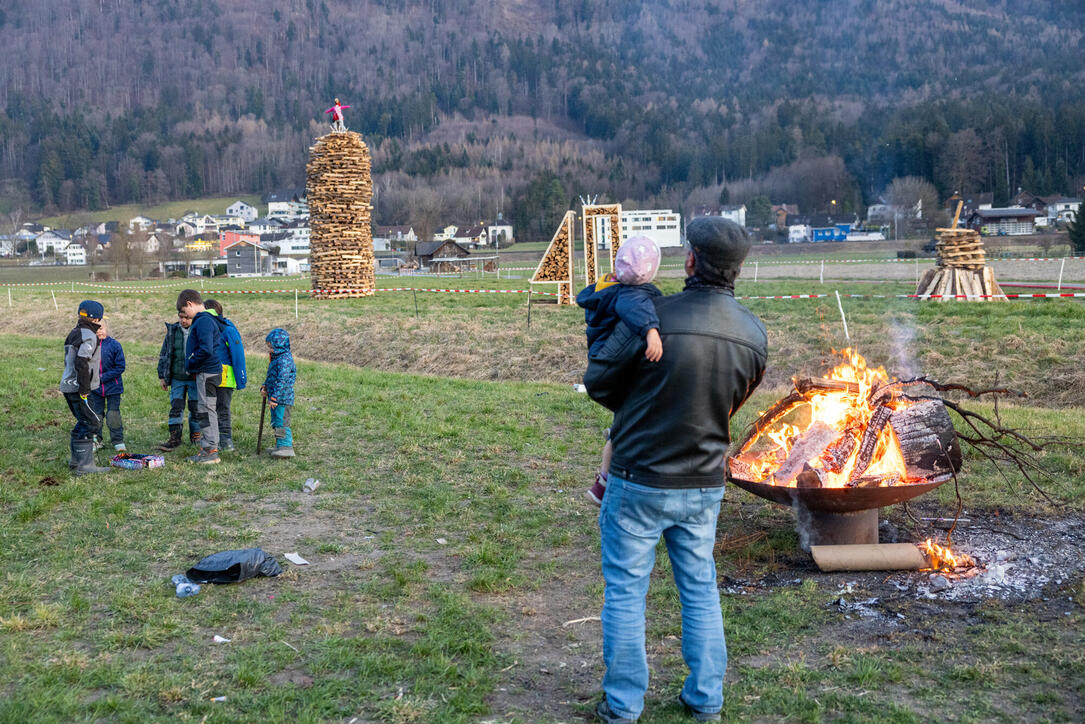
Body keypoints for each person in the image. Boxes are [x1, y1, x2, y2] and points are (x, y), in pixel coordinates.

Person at [583, 217, 767, 723]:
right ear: (738, 271)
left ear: (689, 260)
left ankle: (622, 707)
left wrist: (638, 396)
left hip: (637, 476)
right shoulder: (753, 335)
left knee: (625, 590)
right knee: (700, 589)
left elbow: (598, 380)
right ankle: (705, 700)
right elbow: (732, 402)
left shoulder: (652, 316)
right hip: (704, 482)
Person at [576, 235, 664, 506]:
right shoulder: (627, 295)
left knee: (623, 420)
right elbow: (633, 307)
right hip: (614, 364)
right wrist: (651, 331)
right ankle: (602, 485)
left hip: (603, 358)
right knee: (622, 429)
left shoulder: (606, 286)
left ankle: (618, 430)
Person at [60, 300, 110, 475]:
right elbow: (82, 361)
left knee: (82, 420)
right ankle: (85, 466)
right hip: (78, 387)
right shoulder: (89, 335)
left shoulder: (74, 332)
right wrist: (84, 388)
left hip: (67, 386)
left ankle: (75, 460)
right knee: (92, 422)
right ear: (96, 319)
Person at [177, 289, 227, 464]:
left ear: (190, 304)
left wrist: (191, 361)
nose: (184, 317)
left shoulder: (204, 321)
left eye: (184, 312)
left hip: (206, 372)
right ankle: (210, 447)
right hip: (208, 371)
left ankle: (210, 450)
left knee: (206, 411)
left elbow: (206, 348)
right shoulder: (205, 320)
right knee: (207, 409)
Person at [203, 299, 246, 452]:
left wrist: (241, 379)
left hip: (225, 378)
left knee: (222, 408)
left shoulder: (228, 330)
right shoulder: (204, 329)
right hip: (207, 376)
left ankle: (226, 439)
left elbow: (238, 355)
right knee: (209, 408)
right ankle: (211, 439)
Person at [157, 309, 202, 451]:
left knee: (195, 408)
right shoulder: (172, 332)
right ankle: (174, 437)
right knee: (176, 408)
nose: (183, 320)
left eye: (186, 317)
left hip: (195, 377)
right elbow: (164, 354)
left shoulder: (199, 330)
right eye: (180, 317)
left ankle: (196, 435)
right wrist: (162, 376)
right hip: (177, 378)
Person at [88, 320, 126, 452]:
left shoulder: (115, 345)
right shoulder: (89, 346)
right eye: (95, 329)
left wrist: (103, 377)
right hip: (95, 389)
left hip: (113, 388)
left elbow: (120, 366)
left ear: (107, 328)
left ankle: (118, 440)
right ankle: (96, 440)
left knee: (113, 415)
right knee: (96, 415)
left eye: (101, 328)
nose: (99, 331)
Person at [261, 328, 296, 458]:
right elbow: (272, 376)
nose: (270, 350)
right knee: (276, 421)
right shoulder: (277, 358)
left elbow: (282, 380)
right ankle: (279, 444)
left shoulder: (285, 360)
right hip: (275, 397)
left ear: (280, 345)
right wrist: (265, 386)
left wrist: (274, 397)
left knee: (282, 421)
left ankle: (286, 446)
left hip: (282, 399)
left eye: (272, 347)